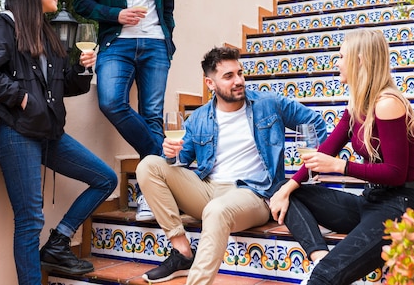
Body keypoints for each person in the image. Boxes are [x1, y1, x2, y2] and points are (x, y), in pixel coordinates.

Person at [0, 0, 118, 285]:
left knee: (105, 178)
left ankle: (59, 241)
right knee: (30, 220)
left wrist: (82, 67)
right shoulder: (4, 25)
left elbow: (67, 86)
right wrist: (21, 98)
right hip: (18, 133)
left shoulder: (47, 35)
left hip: (51, 134)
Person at [135, 46, 328, 284]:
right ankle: (182, 251)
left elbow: (315, 123)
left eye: (239, 73)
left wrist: (316, 164)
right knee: (148, 165)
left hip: (253, 193)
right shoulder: (198, 118)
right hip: (207, 190)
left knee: (217, 211)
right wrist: (170, 153)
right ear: (210, 83)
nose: (238, 81)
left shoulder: (269, 103)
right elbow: (181, 160)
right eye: (228, 76)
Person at [269, 28, 414, 285]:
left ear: (360, 60)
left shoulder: (387, 104)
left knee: (323, 279)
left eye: (342, 56)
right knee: (285, 190)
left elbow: (396, 174)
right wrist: (286, 188)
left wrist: (341, 167)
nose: (337, 63)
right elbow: (325, 150)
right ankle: (320, 255)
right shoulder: (357, 107)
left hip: (401, 205)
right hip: (370, 201)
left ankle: (324, 270)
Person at [74, 0, 175, 221]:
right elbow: (82, 2)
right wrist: (117, 14)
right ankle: (161, 160)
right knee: (111, 101)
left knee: (152, 116)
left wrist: (167, 37)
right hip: (116, 43)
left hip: (155, 45)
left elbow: (168, 5)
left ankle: (151, 194)